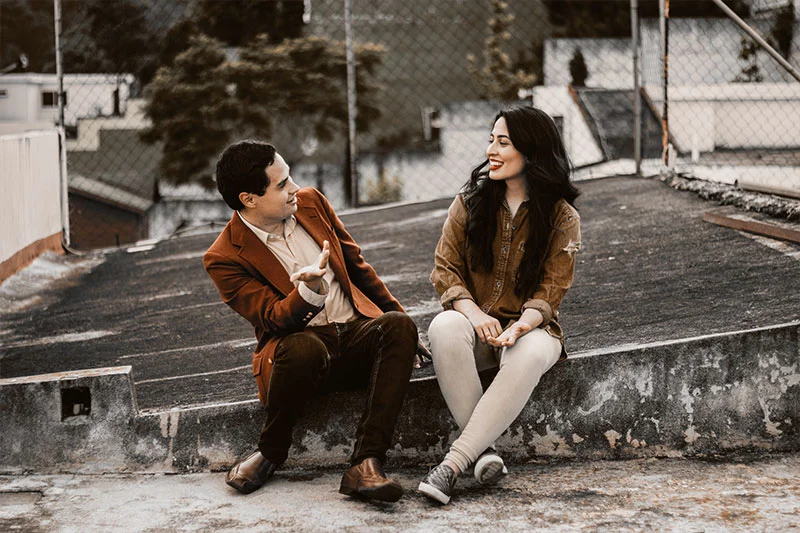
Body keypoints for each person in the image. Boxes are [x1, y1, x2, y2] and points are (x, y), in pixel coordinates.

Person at [204, 140, 429, 502]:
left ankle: (366, 464)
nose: (294, 188)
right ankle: (270, 452)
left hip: (354, 338)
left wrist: (402, 318)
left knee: (399, 326)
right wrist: (310, 291)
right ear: (249, 199)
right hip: (300, 361)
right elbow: (274, 319)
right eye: (281, 185)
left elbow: (358, 268)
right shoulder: (224, 256)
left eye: (290, 177)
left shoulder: (311, 203)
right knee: (303, 346)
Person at [418, 106, 581, 505]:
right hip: (474, 327)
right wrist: (474, 316)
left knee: (530, 352)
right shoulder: (469, 202)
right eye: (491, 139)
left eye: (503, 142)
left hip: (533, 330)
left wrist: (522, 326)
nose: (491, 149)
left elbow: (551, 289)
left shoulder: (562, 217)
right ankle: (484, 453)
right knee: (443, 326)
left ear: (532, 151)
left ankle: (453, 465)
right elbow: (445, 269)